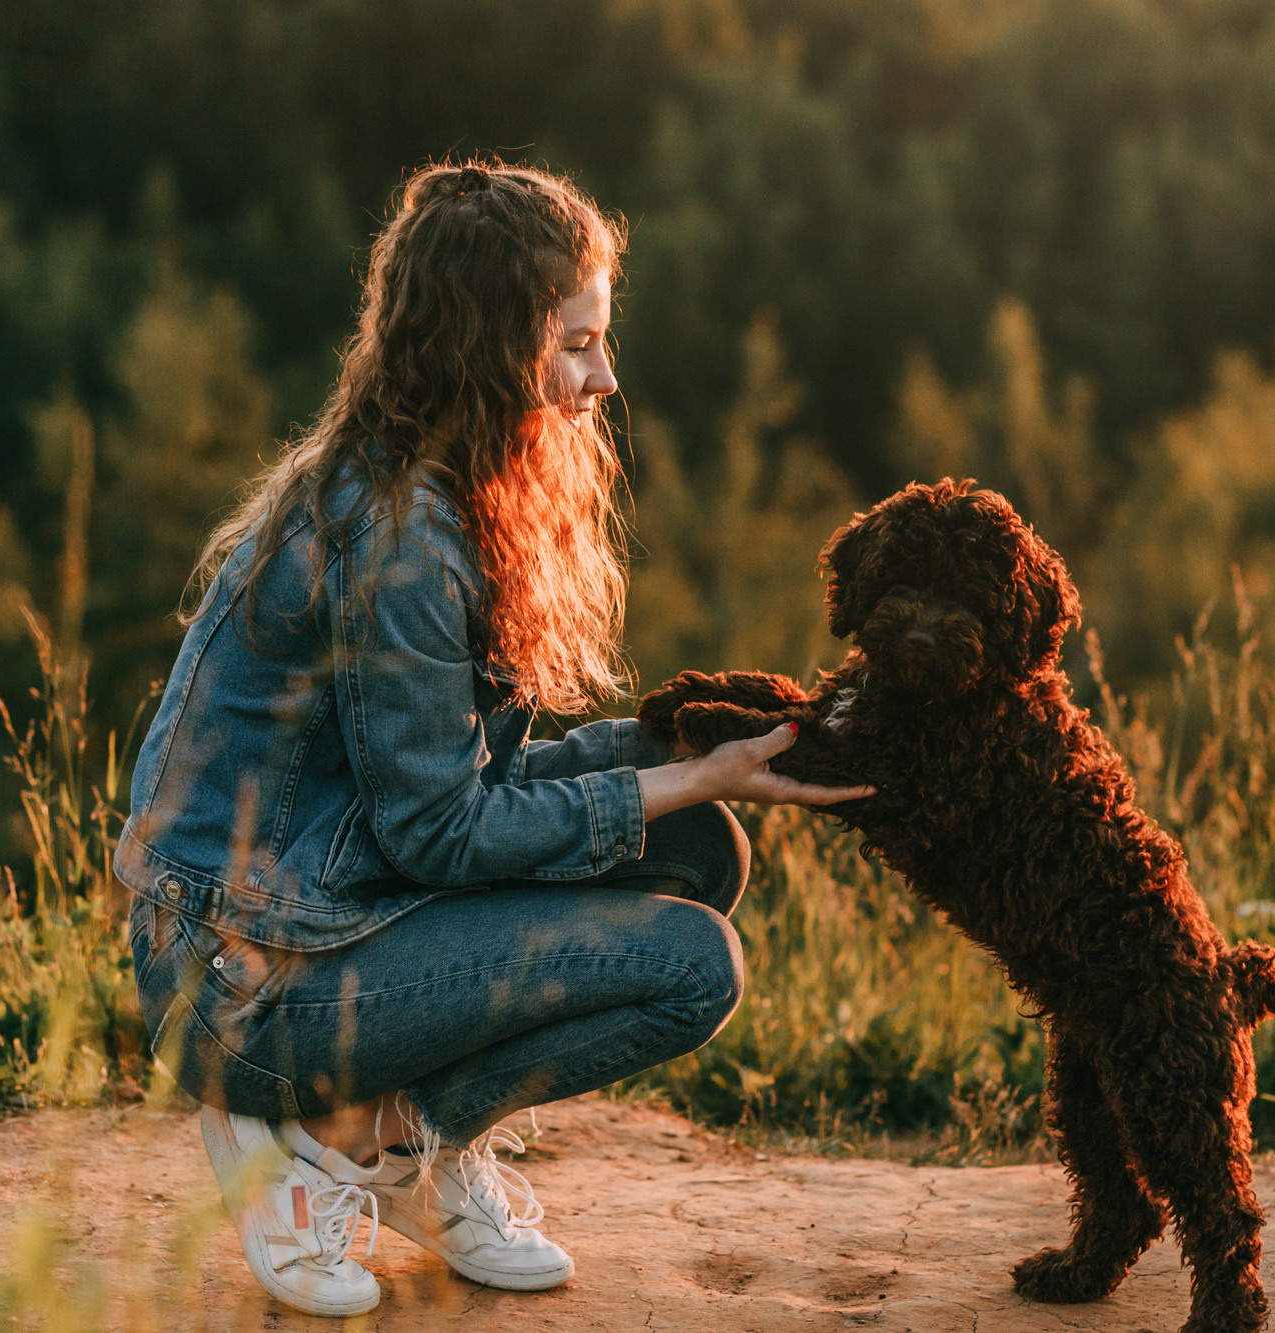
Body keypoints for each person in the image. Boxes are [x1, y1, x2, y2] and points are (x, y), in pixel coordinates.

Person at [115, 160, 872, 1318]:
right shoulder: (401, 537)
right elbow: (442, 830)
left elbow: (474, 781)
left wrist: (698, 752)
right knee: (688, 962)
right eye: (574, 345)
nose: (602, 376)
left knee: (704, 852)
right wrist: (671, 775)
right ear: (484, 342)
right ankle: (329, 1140)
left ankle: (403, 1136)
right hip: (243, 985)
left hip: (339, 905)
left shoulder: (446, 486)